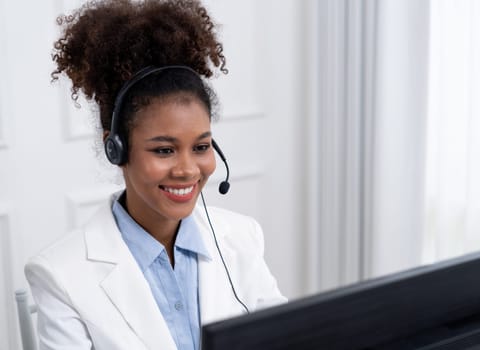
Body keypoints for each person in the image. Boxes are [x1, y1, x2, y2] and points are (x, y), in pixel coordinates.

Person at [24, 1, 286, 349]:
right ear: (115, 149)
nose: (188, 170)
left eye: (201, 147)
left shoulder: (242, 238)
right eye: (164, 150)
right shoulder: (59, 275)